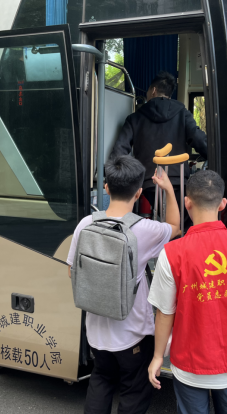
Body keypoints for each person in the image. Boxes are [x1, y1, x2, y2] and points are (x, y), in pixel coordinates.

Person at [67, 155, 180, 414]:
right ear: (138, 192)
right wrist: (168, 189)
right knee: (133, 393)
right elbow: (174, 226)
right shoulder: (145, 230)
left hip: (96, 334)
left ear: (106, 187)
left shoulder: (85, 224)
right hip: (134, 336)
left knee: (101, 381)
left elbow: (73, 272)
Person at [147, 170, 227, 414]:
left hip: (189, 364)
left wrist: (158, 357)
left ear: (187, 202)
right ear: (223, 204)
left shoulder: (172, 253)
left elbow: (164, 313)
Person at [110, 71, 208, 226]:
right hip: (179, 182)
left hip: (149, 183)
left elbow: (119, 152)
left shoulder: (135, 118)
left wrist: (113, 177)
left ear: (153, 90)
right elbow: (200, 140)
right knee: (182, 224)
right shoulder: (183, 114)